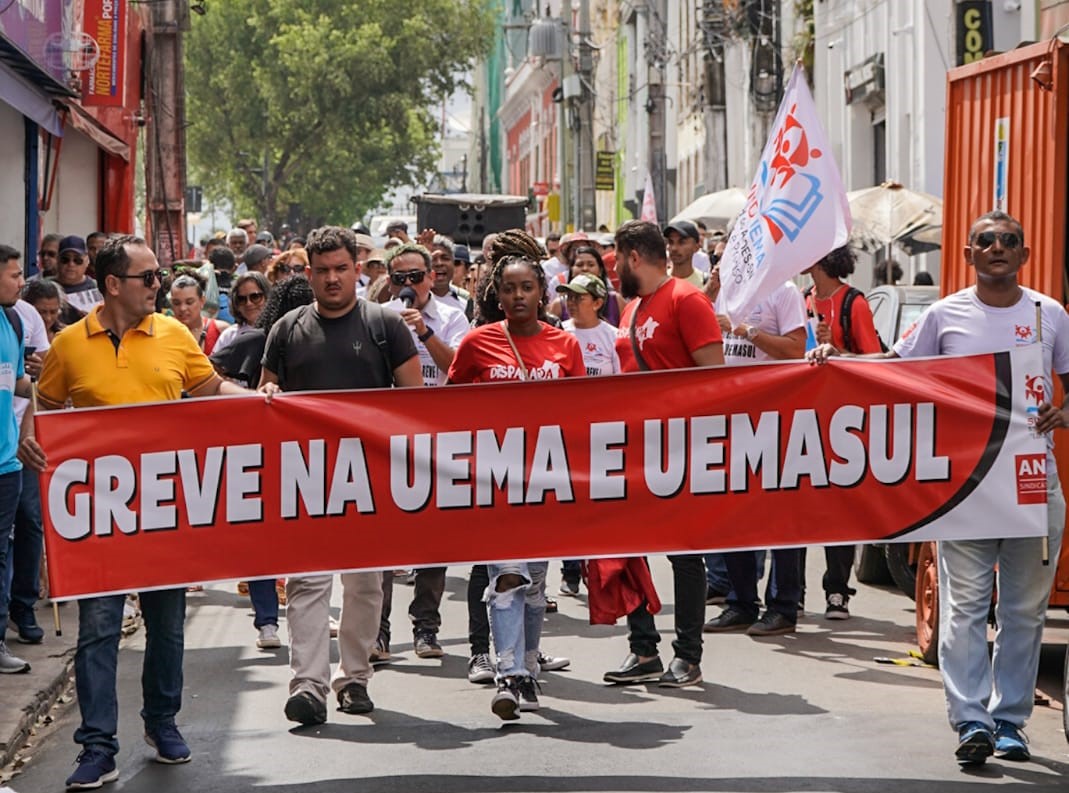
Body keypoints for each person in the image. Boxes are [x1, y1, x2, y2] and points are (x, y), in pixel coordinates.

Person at [807, 210, 1068, 766]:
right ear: (969, 255)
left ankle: (1010, 723)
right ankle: (971, 720)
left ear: (1024, 255)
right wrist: (838, 361)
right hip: (964, 487)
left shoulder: (1051, 315)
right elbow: (893, 370)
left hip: (1031, 485)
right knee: (965, 607)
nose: (998, 247)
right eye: (985, 241)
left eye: (1009, 241)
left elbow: (1067, 392)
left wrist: (1063, 413)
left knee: (1024, 612)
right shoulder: (944, 316)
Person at [21, 235, 249, 790]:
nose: (160, 286)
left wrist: (262, 400)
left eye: (160, 277)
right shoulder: (70, 345)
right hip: (97, 519)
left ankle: (162, 724)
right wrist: (29, 432)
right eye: (149, 278)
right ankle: (97, 746)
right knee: (97, 629)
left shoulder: (174, 334)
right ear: (113, 285)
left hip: (165, 512)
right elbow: (46, 405)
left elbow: (210, 386)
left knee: (167, 626)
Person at [258, 226, 421, 727]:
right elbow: (267, 391)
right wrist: (266, 397)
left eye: (341, 269)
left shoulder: (385, 326)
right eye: (322, 270)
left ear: (358, 269)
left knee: (365, 585)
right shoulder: (286, 328)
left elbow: (415, 401)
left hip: (370, 481)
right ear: (308, 274)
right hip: (305, 480)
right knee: (308, 583)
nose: (332, 279)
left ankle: (353, 679)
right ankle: (307, 684)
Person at [448, 251, 585, 719]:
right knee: (506, 577)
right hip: (494, 481)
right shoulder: (476, 344)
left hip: (547, 481)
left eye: (527, 287)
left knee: (532, 586)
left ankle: (527, 664)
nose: (518, 296)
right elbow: (449, 405)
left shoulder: (564, 345)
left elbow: (584, 411)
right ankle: (507, 674)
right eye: (509, 288)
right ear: (497, 295)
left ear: (541, 292)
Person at [603, 220, 723, 689]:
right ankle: (643, 649)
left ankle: (687, 656)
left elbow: (714, 377)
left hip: (679, 445)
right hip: (633, 447)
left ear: (634, 256)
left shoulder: (687, 301)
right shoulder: (631, 308)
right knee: (627, 549)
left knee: (684, 554)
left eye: (616, 261)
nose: (614, 273)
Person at [376, 242, 470, 660]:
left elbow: (458, 369)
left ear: (432, 277)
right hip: (390, 438)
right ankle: (377, 631)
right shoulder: (379, 318)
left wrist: (423, 332)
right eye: (400, 278)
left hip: (439, 436)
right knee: (382, 539)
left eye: (416, 276)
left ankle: (426, 627)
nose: (409, 284)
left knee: (434, 538)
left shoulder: (452, 316)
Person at [703, 278, 807, 636]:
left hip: (775, 416)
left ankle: (783, 606)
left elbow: (797, 349)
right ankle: (741, 602)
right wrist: (710, 290)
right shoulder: (727, 290)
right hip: (731, 416)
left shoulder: (785, 290)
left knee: (779, 515)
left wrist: (745, 330)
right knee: (734, 513)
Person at [802, 246, 883, 619]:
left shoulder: (854, 303)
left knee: (839, 511)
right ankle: (789, 595)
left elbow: (875, 361)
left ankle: (837, 592)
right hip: (803, 417)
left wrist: (837, 350)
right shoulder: (801, 300)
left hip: (845, 421)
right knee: (800, 508)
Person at [0, 246, 35, 674]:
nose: (19, 281)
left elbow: (17, 379)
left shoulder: (14, 319)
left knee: (2, 553)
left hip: (8, 463)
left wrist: (48, 389)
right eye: (12, 275)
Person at [168, 272, 230, 355]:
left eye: (189, 302)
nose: (182, 308)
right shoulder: (163, 331)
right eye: (176, 303)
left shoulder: (221, 331)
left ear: (202, 301)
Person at [212, 272, 271, 355]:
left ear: (268, 297)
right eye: (241, 299)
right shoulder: (229, 336)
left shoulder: (279, 332)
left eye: (255, 297)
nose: (248, 303)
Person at [53, 236, 103, 317]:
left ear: (87, 261)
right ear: (57, 260)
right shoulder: (44, 287)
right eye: (65, 260)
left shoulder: (98, 288)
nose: (71, 264)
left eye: (77, 260)